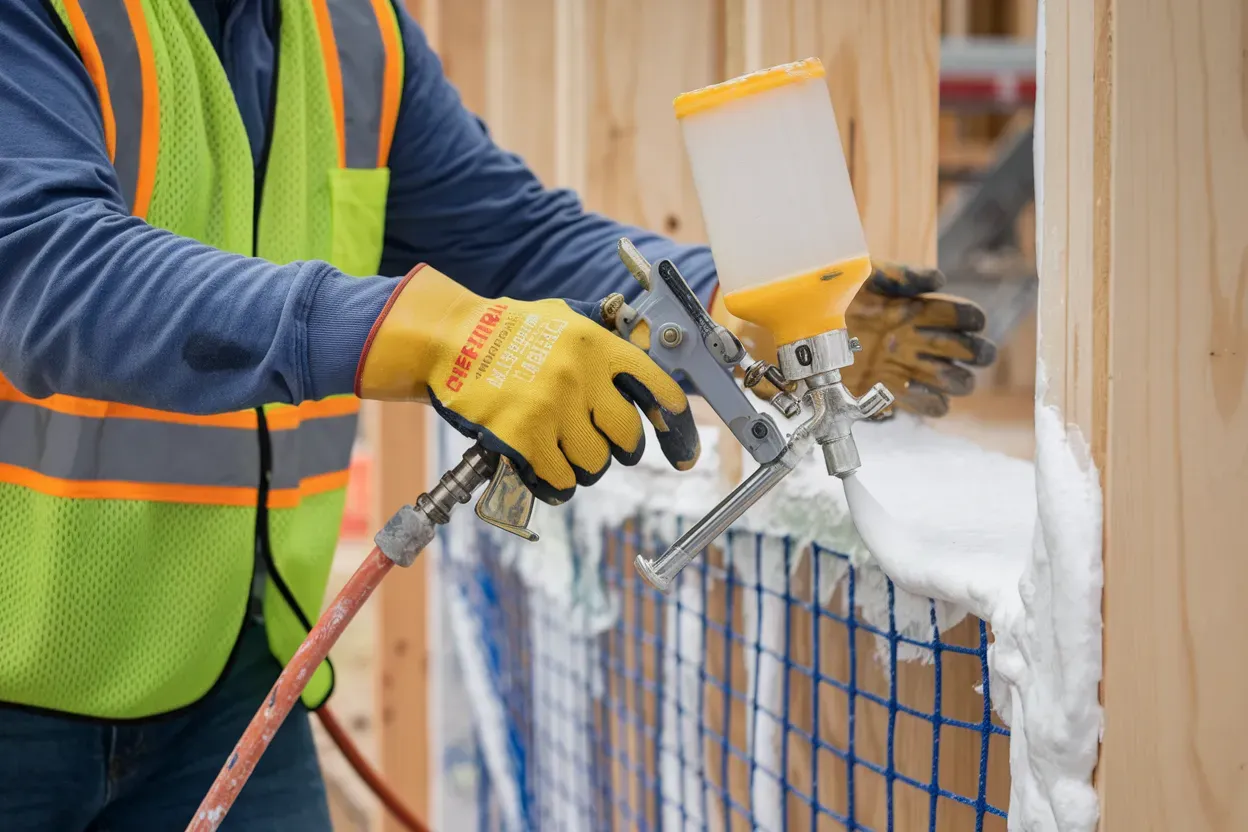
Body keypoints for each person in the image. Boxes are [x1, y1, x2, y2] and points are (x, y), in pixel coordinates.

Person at [0, 0, 996, 828]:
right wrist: (444, 336)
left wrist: (726, 306)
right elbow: (42, 266)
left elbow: (512, 236)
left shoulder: (352, 38)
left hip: (229, 676)